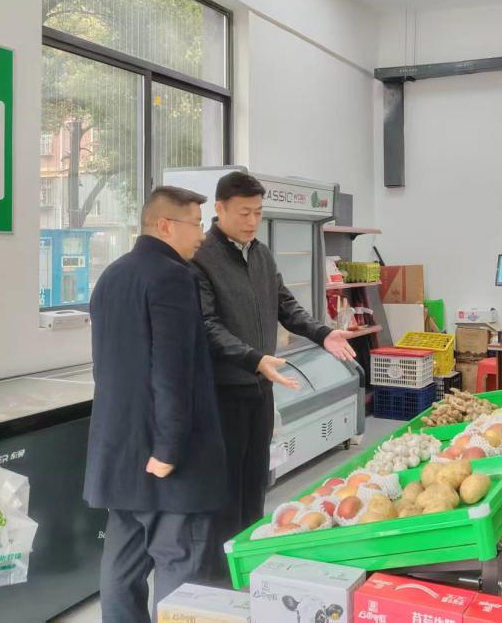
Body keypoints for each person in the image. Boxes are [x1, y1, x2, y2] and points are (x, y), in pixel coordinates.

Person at [191, 171, 358, 580]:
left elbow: (286, 305)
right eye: (244, 212)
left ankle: (251, 561)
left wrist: (322, 332)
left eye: (258, 212)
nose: (252, 221)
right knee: (224, 490)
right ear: (219, 209)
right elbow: (207, 325)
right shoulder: (201, 257)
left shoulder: (261, 254)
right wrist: (253, 358)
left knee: (255, 482)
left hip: (260, 389)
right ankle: (221, 574)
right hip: (223, 392)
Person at [84, 186, 227, 622]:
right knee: (180, 564)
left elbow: (106, 366)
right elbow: (171, 371)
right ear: (165, 225)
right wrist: (169, 449)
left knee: (121, 567)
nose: (201, 235)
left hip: (120, 452)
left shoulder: (111, 275)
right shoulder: (173, 277)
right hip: (167, 458)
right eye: (195, 224)